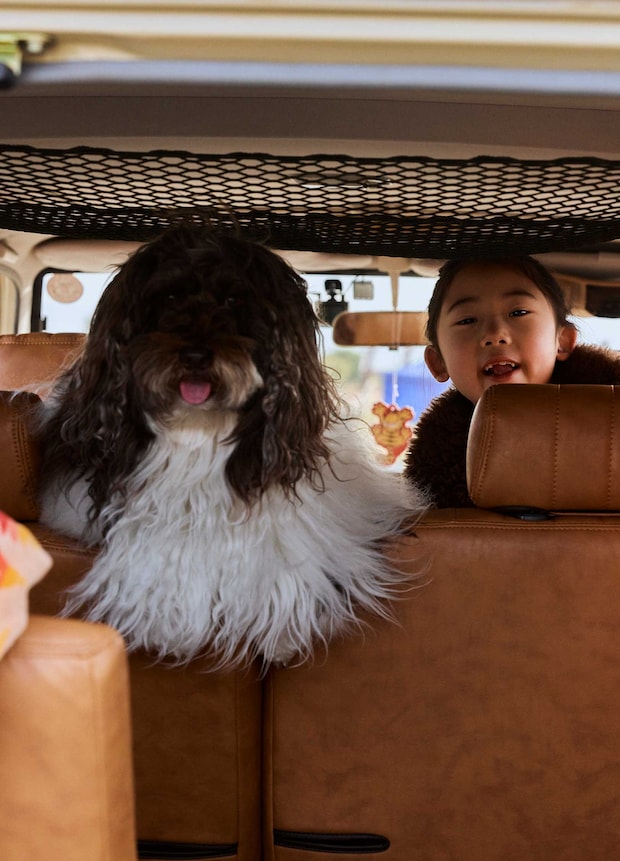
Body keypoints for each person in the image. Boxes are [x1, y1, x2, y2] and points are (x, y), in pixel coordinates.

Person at [403, 256, 620, 507]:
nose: (495, 334)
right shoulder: (429, 493)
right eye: (467, 320)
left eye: (518, 313)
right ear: (438, 362)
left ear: (562, 341)